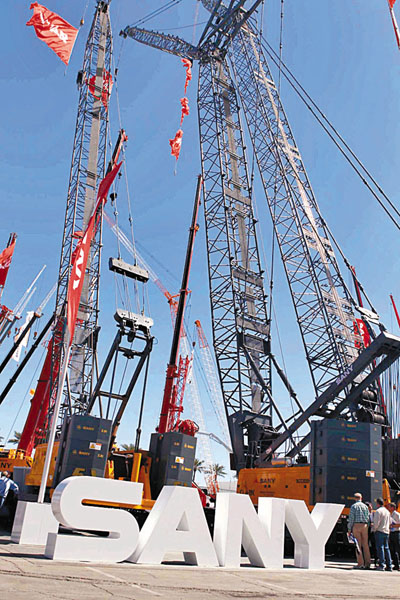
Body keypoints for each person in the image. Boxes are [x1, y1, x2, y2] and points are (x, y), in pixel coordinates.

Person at [348, 492, 371, 569]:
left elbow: (351, 519)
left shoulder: (353, 506)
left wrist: (349, 529)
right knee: (366, 545)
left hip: (356, 525)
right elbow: (368, 517)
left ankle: (360, 563)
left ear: (355, 498)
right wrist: (367, 526)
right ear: (361, 498)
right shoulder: (365, 506)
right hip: (364, 525)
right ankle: (368, 563)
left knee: (358, 545)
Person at [372, 498, 392, 571]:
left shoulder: (378, 511)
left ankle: (381, 565)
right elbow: (390, 522)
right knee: (386, 548)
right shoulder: (387, 511)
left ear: (378, 503)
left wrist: (374, 529)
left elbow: (376, 522)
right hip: (386, 531)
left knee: (380, 548)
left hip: (380, 531)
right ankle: (389, 565)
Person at [388, 502, 400, 571]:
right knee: (392, 549)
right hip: (391, 533)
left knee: (398, 549)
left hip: (396, 532)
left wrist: (393, 525)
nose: (388, 508)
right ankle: (396, 565)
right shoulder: (389, 514)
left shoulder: (397, 514)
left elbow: (399, 524)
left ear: (392, 507)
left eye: (389, 507)